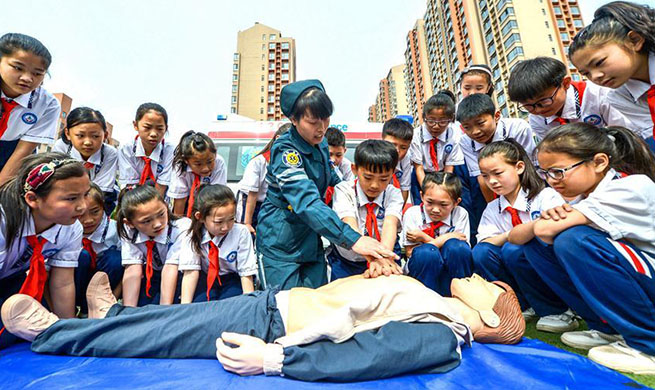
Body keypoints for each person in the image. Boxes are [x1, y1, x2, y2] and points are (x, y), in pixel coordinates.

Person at [2, 272, 525, 382]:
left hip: (273, 325)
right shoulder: (431, 297)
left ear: (487, 314)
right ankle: (112, 316)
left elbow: (376, 356)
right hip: (273, 303)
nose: (475, 276)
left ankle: (54, 334)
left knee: (160, 340)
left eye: (488, 286)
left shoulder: (445, 327)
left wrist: (276, 360)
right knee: (173, 320)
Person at [518, 123, 655, 374]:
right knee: (537, 246)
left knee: (573, 240)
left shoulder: (630, 187)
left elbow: (545, 229)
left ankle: (649, 343)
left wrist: (548, 223)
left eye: (559, 171)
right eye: (546, 172)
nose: (552, 181)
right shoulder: (582, 197)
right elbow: (528, 236)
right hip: (641, 281)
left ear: (600, 162)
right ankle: (608, 329)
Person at [256, 80, 399, 290]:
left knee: (320, 302)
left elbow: (333, 178)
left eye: (325, 119)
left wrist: (354, 195)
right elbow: (306, 202)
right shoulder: (286, 152)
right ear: (293, 119)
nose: (322, 128)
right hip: (281, 241)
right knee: (285, 308)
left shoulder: (321, 143)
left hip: (312, 237)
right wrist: (354, 239)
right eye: (313, 121)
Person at [472, 140, 577, 333]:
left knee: (516, 250)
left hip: (551, 265)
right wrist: (513, 234)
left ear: (519, 167)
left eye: (498, 173)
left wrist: (517, 237)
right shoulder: (493, 208)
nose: (492, 181)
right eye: (485, 176)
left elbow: (555, 232)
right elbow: (485, 242)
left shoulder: (545, 196)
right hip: (518, 265)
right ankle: (521, 304)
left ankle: (559, 309)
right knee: (482, 253)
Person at [0, 153, 88, 349]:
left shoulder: (71, 226)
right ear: (32, 199)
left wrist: (68, 334)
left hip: (11, 280)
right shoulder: (4, 220)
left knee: (41, 326)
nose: (82, 206)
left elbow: (62, 283)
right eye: (71, 198)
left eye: (85, 194)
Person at [568, 1, 655, 151]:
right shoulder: (619, 96)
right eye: (586, 73)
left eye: (599, 62)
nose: (595, 77)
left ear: (634, 41)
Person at [457, 93, 537, 235]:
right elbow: (482, 178)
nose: (475, 132)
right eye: (467, 127)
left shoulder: (518, 128)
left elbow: (530, 167)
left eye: (481, 123)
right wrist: (496, 209)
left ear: (497, 116)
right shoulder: (465, 141)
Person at [328, 140, 404, 281]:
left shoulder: (393, 193)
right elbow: (349, 223)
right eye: (368, 177)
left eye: (383, 179)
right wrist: (374, 256)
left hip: (385, 256)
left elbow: (390, 224)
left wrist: (381, 258)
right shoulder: (343, 190)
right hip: (347, 261)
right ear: (355, 169)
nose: (375, 185)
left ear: (392, 173)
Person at [508, 57, 632, 141]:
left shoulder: (598, 95)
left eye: (543, 101)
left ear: (565, 83)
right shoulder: (535, 119)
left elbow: (627, 135)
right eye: (528, 106)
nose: (538, 110)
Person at [0, 33, 61, 185]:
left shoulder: (48, 104)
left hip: (11, 156)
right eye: (18, 68)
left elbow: (22, 152)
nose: (27, 78)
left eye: (37, 73)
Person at [179, 184, 257, 303]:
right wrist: (184, 307)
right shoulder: (191, 234)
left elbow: (246, 273)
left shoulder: (241, 232)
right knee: (200, 307)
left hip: (232, 278)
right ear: (200, 217)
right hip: (204, 277)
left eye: (231, 219)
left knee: (232, 307)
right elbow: (190, 272)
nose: (226, 227)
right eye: (218, 222)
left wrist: (249, 305)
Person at [117, 185, 190, 306]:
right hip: (152, 275)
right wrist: (128, 310)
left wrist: (163, 309)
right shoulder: (128, 231)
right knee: (141, 311)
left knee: (158, 311)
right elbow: (133, 269)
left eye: (161, 214)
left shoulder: (182, 228)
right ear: (129, 223)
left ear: (166, 207)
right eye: (146, 221)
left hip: (178, 276)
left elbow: (171, 268)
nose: (157, 224)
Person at [402, 172, 472, 296]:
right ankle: (424, 302)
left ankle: (461, 297)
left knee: (457, 248)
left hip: (451, 269)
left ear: (456, 202)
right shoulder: (412, 214)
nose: (435, 209)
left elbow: (462, 250)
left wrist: (423, 238)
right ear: (422, 196)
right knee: (427, 253)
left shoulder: (461, 214)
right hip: (423, 270)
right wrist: (446, 237)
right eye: (430, 202)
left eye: (443, 204)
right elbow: (410, 252)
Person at [52, 107, 119, 215]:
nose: (88, 142)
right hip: (68, 190)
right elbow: (59, 181)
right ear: (68, 134)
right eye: (80, 136)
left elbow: (103, 189)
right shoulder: (61, 147)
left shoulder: (110, 153)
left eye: (95, 136)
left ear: (105, 136)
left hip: (100, 194)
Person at [410, 91, 465, 206]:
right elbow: (418, 167)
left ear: (450, 119)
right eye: (431, 121)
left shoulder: (454, 135)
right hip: (422, 175)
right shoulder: (415, 136)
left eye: (442, 121)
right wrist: (427, 191)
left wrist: (443, 190)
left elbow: (449, 168)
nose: (436, 126)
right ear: (424, 117)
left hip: (444, 173)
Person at [75, 183, 122, 313]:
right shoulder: (65, 231)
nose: (88, 220)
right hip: (74, 284)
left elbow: (130, 269)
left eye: (95, 212)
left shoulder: (116, 230)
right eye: (80, 214)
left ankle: (97, 308)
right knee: (81, 256)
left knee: (116, 259)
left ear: (104, 208)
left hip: (104, 285)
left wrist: (113, 300)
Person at [236, 124, 290, 234]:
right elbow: (252, 195)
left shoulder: (287, 162)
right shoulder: (259, 162)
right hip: (249, 203)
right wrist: (247, 223)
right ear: (278, 139)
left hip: (269, 204)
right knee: (246, 234)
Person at [117, 103, 174, 197]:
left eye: (159, 129)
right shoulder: (126, 150)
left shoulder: (170, 152)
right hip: (133, 199)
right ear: (135, 125)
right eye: (147, 127)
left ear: (166, 128)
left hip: (159, 201)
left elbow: (161, 187)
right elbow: (130, 187)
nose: (153, 134)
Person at [169, 130, 227, 217]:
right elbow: (180, 199)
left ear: (215, 154)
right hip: (187, 204)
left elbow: (216, 195)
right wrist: (179, 224)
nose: (206, 168)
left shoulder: (219, 162)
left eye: (210, 162)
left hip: (210, 203)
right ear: (186, 160)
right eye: (198, 164)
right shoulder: (180, 167)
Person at [381, 118, 414, 203]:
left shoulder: (406, 160)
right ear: (382, 139)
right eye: (392, 144)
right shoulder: (373, 157)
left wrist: (398, 213)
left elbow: (404, 189)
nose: (397, 151)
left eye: (403, 148)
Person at [323, 126, 353, 206]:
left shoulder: (347, 166)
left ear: (344, 151)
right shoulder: (318, 164)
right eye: (330, 154)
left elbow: (349, 189)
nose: (333, 159)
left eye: (338, 155)